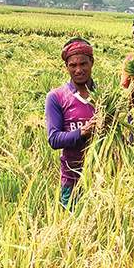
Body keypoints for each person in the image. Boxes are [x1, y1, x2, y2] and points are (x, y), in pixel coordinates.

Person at [45, 38, 97, 209]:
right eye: (72, 65)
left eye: (83, 64)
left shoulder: (105, 96)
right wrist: (82, 133)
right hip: (73, 181)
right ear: (66, 66)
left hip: (104, 178)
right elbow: (54, 139)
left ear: (92, 62)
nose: (78, 70)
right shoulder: (57, 97)